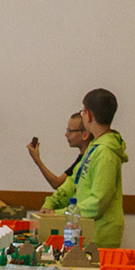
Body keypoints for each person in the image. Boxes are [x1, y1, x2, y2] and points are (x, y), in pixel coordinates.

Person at [43, 87, 127, 248]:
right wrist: (50, 205)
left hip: (100, 235)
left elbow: (97, 202)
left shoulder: (106, 153)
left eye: (82, 112)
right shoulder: (93, 147)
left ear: (88, 115)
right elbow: (73, 182)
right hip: (84, 230)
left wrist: (59, 214)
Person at [27, 111, 92, 189]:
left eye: (70, 131)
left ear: (85, 135)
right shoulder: (83, 157)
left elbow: (57, 184)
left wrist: (37, 160)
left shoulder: (87, 158)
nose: (66, 134)